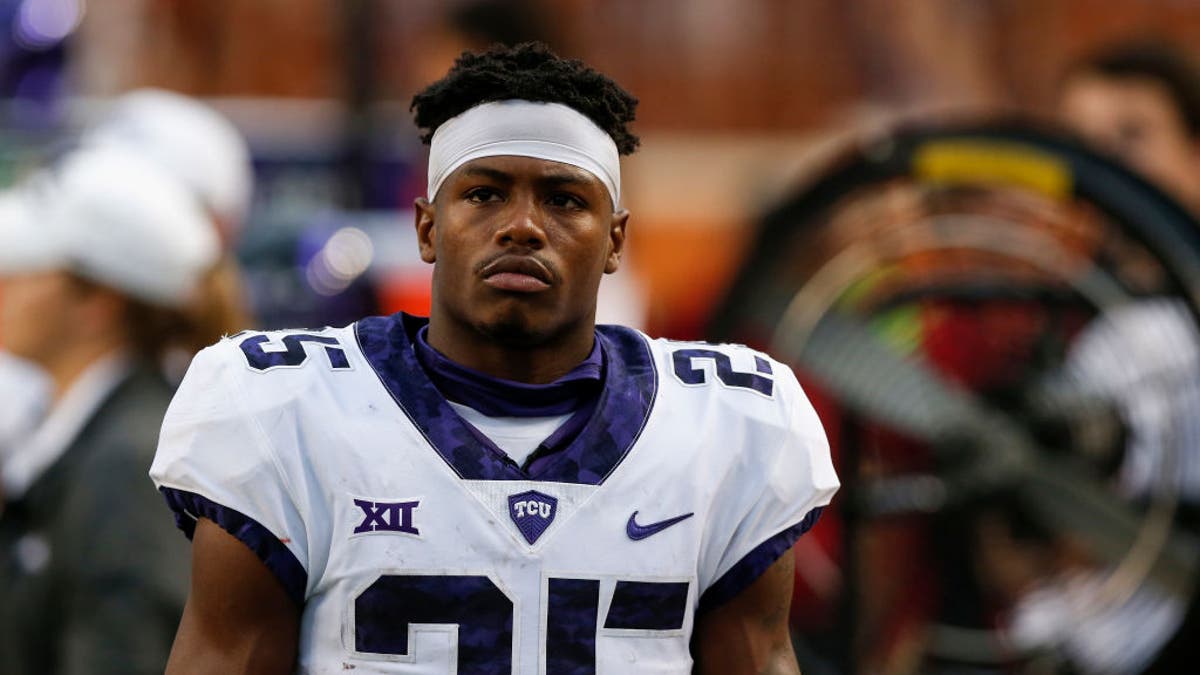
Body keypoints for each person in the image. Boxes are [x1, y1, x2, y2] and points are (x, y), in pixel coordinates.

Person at [150, 43, 839, 673]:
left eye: (565, 199)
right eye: (483, 193)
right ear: (427, 226)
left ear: (615, 240)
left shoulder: (724, 427)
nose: (522, 225)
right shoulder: (289, 410)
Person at [0, 145, 221, 673]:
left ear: (98, 302)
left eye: (28, 268)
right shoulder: (75, 436)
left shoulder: (127, 463)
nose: (4, 285)